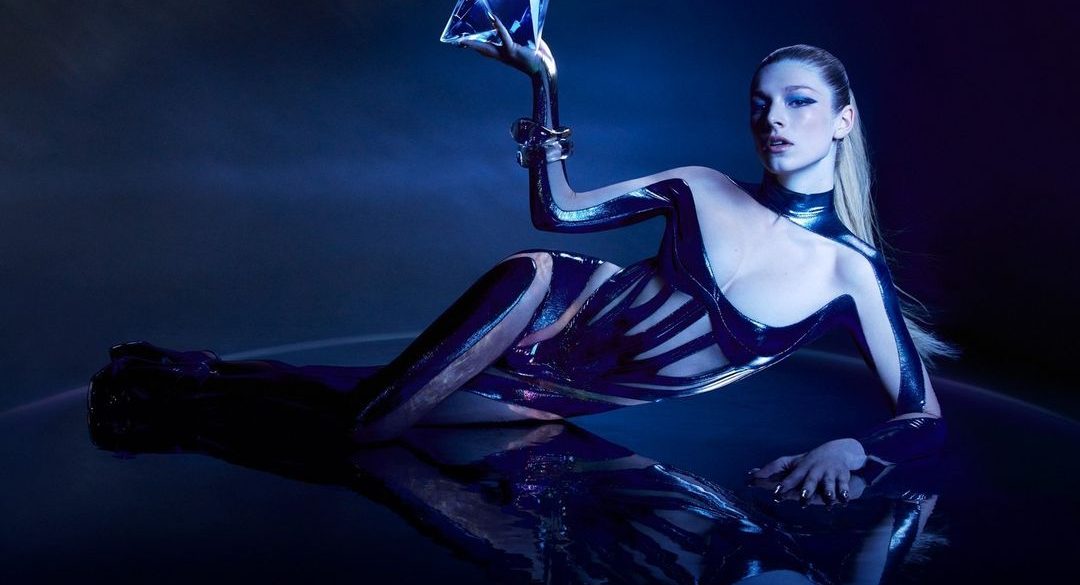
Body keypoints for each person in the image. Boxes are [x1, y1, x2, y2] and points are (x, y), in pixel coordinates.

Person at [89, 14, 953, 507]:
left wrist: (850, 446)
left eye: (799, 103)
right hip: (543, 298)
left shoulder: (850, 273)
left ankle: (184, 374)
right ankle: (179, 400)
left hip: (553, 395)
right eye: (761, 104)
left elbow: (923, 416)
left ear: (843, 120)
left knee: (369, 400)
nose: (775, 120)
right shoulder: (701, 185)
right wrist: (541, 77)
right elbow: (562, 212)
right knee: (370, 427)